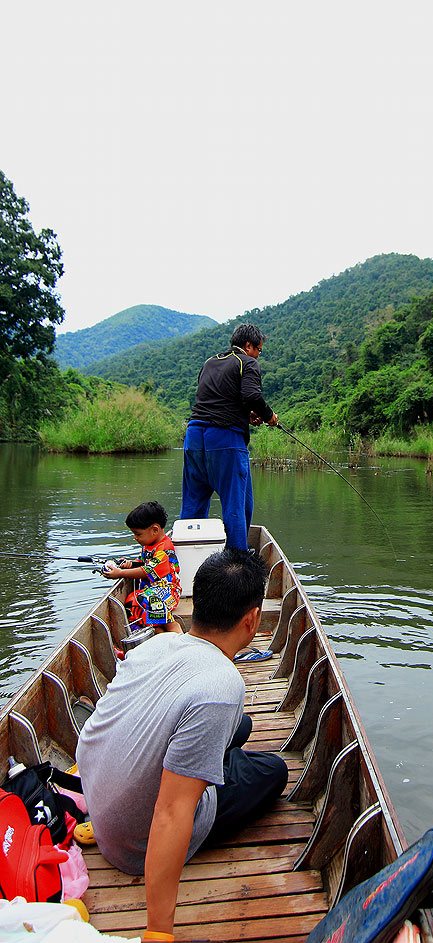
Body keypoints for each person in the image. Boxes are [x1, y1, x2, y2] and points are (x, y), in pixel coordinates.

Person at [76, 548, 288, 941]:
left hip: (100, 799)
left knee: (239, 726)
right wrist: (159, 931)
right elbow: (172, 813)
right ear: (252, 619)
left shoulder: (157, 645)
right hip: (132, 842)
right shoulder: (222, 685)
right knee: (273, 771)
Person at [179, 323, 278, 549]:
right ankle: (237, 566)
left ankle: (184, 563)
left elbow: (220, 398)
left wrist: (246, 415)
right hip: (225, 440)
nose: (258, 355)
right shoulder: (247, 362)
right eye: (259, 350)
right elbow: (252, 395)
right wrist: (268, 415)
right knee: (237, 507)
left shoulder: (210, 362)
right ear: (248, 345)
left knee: (192, 505)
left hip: (194, 436)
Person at [102, 501, 182, 633]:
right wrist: (130, 564)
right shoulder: (149, 545)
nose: (135, 538)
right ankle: (154, 635)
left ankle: (177, 635)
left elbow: (147, 571)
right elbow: (142, 562)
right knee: (132, 602)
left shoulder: (164, 550)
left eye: (138, 534)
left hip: (168, 592)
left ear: (155, 530)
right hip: (151, 590)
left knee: (146, 601)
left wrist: (120, 573)